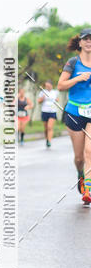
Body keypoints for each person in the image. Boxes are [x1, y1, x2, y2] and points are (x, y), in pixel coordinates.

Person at [57, 28, 91, 204]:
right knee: (79, 158)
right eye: (85, 39)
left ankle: (89, 190)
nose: (89, 42)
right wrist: (78, 79)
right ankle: (80, 174)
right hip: (75, 112)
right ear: (80, 42)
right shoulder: (73, 62)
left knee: (89, 151)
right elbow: (61, 85)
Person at [37, 81, 59, 147]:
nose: (47, 87)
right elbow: (39, 101)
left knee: (50, 127)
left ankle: (49, 141)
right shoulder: (42, 92)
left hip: (52, 111)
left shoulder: (55, 92)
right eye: (46, 86)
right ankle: (47, 139)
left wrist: (56, 101)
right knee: (46, 128)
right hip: (44, 111)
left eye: (48, 86)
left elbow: (57, 99)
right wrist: (42, 98)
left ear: (51, 85)